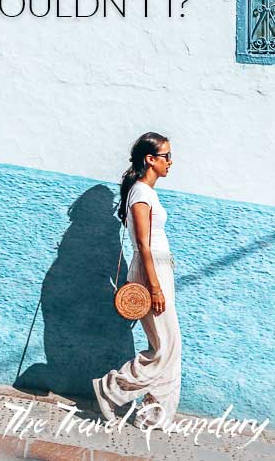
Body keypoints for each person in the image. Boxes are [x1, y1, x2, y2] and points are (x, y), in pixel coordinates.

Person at [92, 132, 182, 428]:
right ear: (150, 159)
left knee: (169, 345)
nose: (170, 161)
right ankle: (111, 390)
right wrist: (154, 287)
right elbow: (143, 245)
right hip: (150, 273)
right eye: (165, 155)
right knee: (165, 346)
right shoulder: (142, 193)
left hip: (157, 270)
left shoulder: (146, 193)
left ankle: (153, 413)